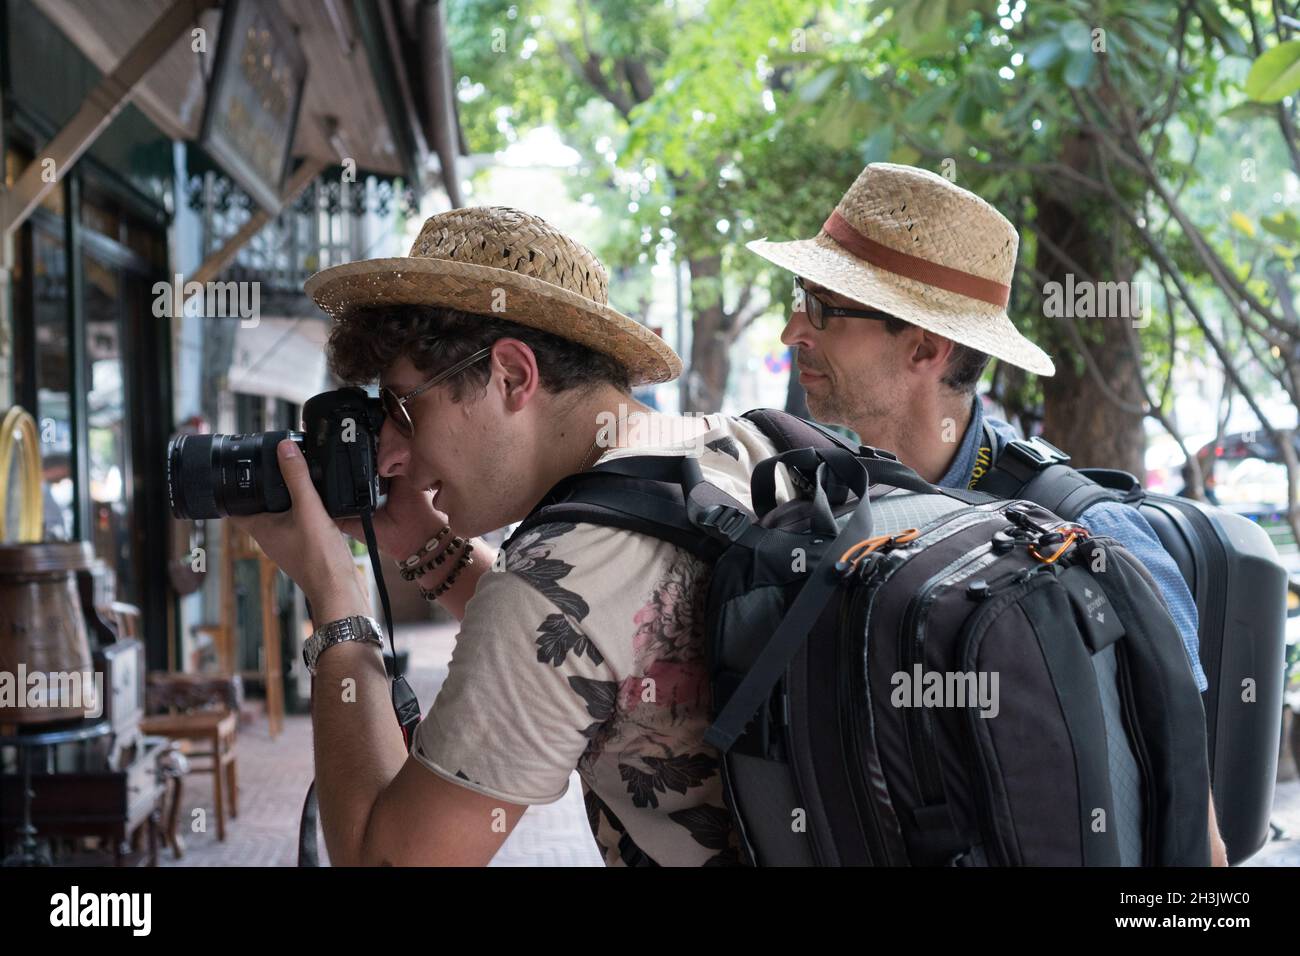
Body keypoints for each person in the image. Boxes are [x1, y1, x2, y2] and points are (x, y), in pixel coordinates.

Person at [233, 206, 792, 866]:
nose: (389, 456)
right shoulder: (749, 444)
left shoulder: (555, 574)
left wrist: (334, 597)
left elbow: (383, 862)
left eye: (404, 409)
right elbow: (596, 648)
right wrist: (420, 542)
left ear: (513, 376)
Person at [747, 161, 1228, 866]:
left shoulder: (1090, 534)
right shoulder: (845, 506)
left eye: (823, 307)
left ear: (925, 347)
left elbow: (1195, 832)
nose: (794, 331)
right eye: (801, 299)